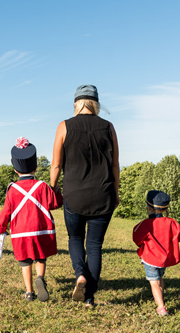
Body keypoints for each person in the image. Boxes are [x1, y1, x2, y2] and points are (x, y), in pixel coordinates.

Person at [50, 85, 120, 308]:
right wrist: (115, 192)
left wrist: (54, 188)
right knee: (95, 246)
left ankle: (80, 274)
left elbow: (56, 164)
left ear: (76, 103)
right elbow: (115, 164)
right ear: (95, 103)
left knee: (75, 239)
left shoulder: (64, 126)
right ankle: (89, 297)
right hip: (103, 194)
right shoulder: (108, 127)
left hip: (74, 194)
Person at [0, 137, 62, 302]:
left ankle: (29, 292)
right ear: (36, 166)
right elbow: (54, 204)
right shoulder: (42, 186)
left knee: (25, 261)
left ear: (15, 169)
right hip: (41, 230)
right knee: (40, 257)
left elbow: (6, 212)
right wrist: (58, 191)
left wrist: (0, 228)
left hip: (21, 233)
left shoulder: (12, 189)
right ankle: (40, 277)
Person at [133, 190, 180, 316]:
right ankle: (161, 297)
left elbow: (136, 238)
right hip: (164, 260)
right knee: (159, 278)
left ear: (148, 208)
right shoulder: (171, 222)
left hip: (150, 258)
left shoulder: (145, 224)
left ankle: (161, 307)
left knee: (154, 282)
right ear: (165, 209)